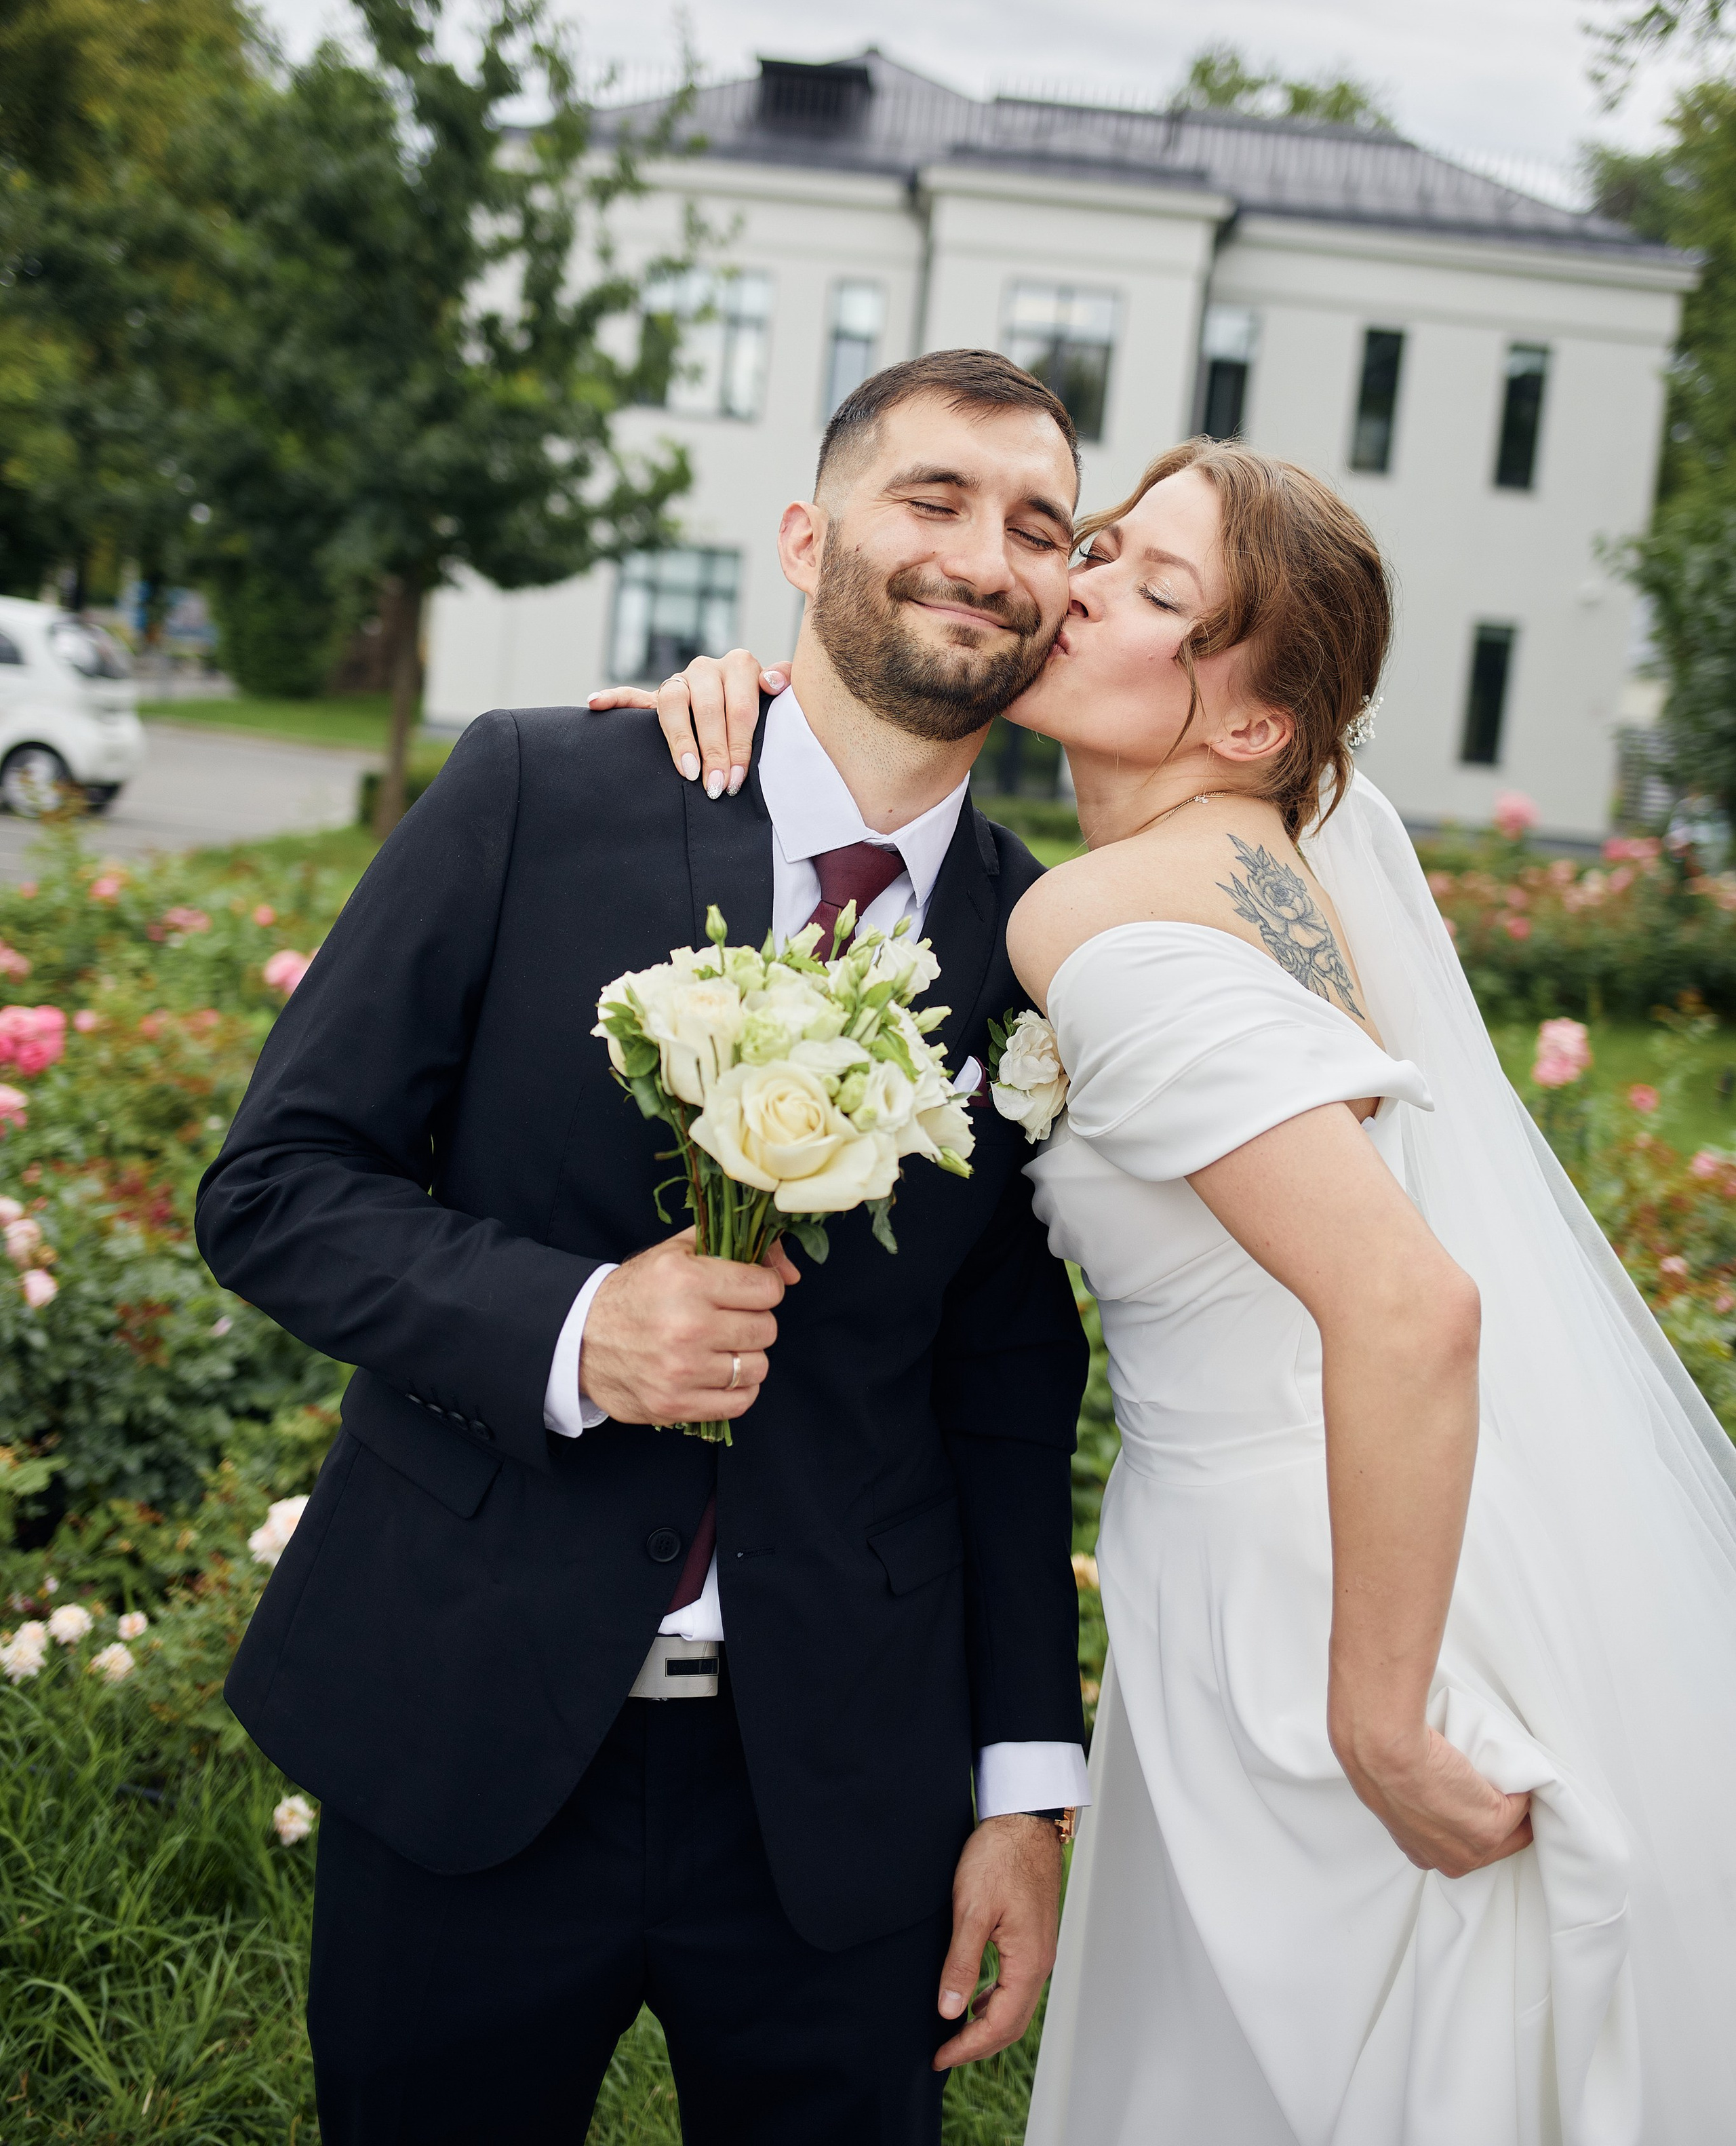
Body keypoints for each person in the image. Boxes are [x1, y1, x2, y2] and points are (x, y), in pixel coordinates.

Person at [612, 435, 1736, 2144]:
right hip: (1388, 1527)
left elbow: (1406, 1306)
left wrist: (1378, 1728)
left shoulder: (1101, 920)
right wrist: (758, 693)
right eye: (1108, 545)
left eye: (1158, 593)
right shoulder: (1283, 874)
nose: (1076, 587)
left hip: (1294, 1597)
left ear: (1250, 726)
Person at [194, 349, 1097, 2146]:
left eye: (1039, 526)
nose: (986, 556)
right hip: (468, 1721)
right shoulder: (540, 789)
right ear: (803, 535)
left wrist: (1023, 1789)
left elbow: (1005, 1399)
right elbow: (279, 1181)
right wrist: (570, 1326)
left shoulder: (1050, 943)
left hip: (843, 1785)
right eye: (932, 499)